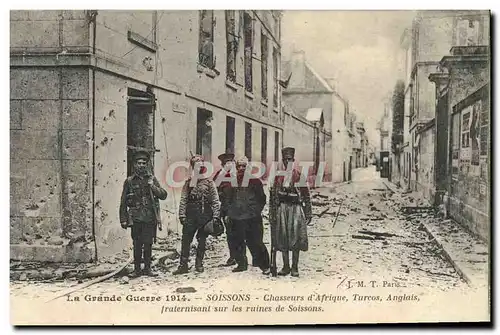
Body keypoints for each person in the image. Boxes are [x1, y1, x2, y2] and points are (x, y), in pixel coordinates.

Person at [119, 149, 168, 278]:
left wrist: (152, 186)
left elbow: (163, 195)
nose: (141, 165)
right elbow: (123, 201)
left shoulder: (151, 179)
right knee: (137, 244)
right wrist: (123, 219)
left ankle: (147, 268)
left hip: (150, 217)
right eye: (138, 163)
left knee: (148, 243)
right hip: (136, 217)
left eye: (143, 163)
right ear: (134, 165)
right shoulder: (129, 181)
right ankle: (136, 270)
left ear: (146, 165)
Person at [173, 155, 221, 275]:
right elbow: (184, 199)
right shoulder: (188, 183)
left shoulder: (209, 183)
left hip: (205, 216)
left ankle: (199, 264)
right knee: (186, 240)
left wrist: (215, 216)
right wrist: (182, 215)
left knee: (202, 240)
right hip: (190, 216)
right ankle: (183, 265)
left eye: (200, 164)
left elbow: (215, 200)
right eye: (196, 165)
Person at [269, 147, 312, 277]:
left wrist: (308, 212)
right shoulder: (278, 177)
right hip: (282, 209)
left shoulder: (299, 176)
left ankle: (295, 267)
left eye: (290, 160)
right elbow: (273, 195)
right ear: (283, 161)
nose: (288, 162)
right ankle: (286, 266)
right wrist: (272, 212)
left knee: (295, 238)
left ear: (294, 161)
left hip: (296, 209)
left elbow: (306, 196)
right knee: (283, 237)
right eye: (286, 160)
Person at [227, 156, 270, 274]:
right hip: (236, 217)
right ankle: (242, 264)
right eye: (239, 166)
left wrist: (255, 211)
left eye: (243, 166)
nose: (241, 168)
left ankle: (265, 265)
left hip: (252, 217)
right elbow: (229, 199)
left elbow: (262, 199)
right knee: (237, 241)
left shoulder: (255, 181)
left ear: (247, 168)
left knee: (256, 242)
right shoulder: (233, 182)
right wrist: (229, 213)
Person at [214, 152, 237, 267]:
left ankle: (241, 257)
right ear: (223, 165)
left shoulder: (238, 175)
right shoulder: (220, 175)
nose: (229, 165)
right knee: (230, 233)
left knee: (240, 233)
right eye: (226, 163)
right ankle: (233, 256)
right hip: (226, 208)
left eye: (231, 162)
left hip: (238, 208)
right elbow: (214, 188)